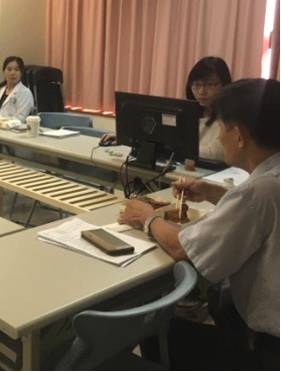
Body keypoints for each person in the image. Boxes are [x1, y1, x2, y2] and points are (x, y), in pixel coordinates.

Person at [118, 78, 279, 370]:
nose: (219, 137)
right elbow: (259, 212)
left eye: (221, 128)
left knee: (154, 333)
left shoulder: (258, 192)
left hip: (264, 351)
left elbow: (183, 249)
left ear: (239, 135)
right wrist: (213, 192)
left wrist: (146, 217)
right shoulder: (269, 181)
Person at [99, 56, 232, 162]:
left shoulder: (229, 118)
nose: (202, 91)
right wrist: (128, 139)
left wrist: (169, 149)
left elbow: (216, 153)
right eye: (196, 85)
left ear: (225, 85)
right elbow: (163, 137)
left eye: (210, 84)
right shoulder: (186, 113)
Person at [0, 56, 34, 121]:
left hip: (11, 127)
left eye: (16, 70)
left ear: (21, 73)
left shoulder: (25, 93)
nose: (12, 73)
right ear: (4, 72)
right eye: (9, 69)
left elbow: (21, 118)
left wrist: (0, 122)